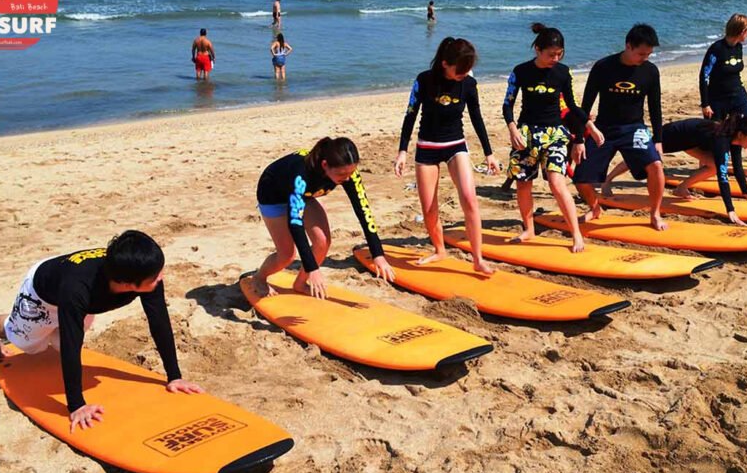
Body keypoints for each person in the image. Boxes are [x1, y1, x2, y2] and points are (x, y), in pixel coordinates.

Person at [0, 230, 204, 433]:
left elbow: (159, 322)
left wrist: (174, 376)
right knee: (31, 345)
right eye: (155, 276)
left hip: (73, 295)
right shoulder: (78, 289)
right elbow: (73, 344)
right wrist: (76, 405)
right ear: (127, 283)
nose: (160, 277)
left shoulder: (146, 272)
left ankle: (38, 329)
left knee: (59, 343)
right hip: (42, 294)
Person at [396, 37, 499, 274]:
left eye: (467, 68)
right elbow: (410, 115)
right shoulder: (424, 80)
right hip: (427, 148)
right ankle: (439, 249)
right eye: (459, 69)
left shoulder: (469, 84)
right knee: (429, 207)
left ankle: (478, 259)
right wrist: (402, 151)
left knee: (470, 199)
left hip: (456, 145)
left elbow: (477, 118)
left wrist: (489, 153)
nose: (464, 73)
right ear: (444, 63)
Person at [248, 137, 396, 299]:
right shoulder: (302, 175)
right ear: (325, 165)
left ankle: (300, 283)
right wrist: (312, 268)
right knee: (287, 255)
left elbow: (363, 210)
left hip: (306, 195)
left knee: (322, 241)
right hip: (273, 195)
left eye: (351, 172)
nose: (347, 178)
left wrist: (378, 254)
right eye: (342, 174)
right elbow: (295, 223)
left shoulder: (348, 173)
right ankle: (259, 278)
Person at [503, 23, 598, 252]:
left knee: (557, 182)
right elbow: (508, 105)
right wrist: (513, 129)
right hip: (526, 134)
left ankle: (576, 234)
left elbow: (573, 106)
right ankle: (528, 229)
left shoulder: (563, 72)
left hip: (555, 133)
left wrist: (587, 130)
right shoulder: (521, 71)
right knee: (524, 183)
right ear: (537, 49)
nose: (555, 59)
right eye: (550, 54)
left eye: (559, 54)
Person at [572, 23, 668, 231]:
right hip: (604, 128)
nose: (645, 58)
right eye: (642, 53)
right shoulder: (603, 67)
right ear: (628, 46)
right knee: (580, 178)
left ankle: (655, 213)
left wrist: (658, 140)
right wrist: (579, 139)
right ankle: (595, 208)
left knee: (656, 166)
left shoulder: (650, 71)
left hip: (635, 128)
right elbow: (585, 106)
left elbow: (655, 108)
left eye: (649, 54)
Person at [602, 115, 747, 226]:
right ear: (741, 134)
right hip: (674, 134)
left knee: (713, 166)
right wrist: (730, 210)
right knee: (639, 158)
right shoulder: (722, 141)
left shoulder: (735, 140)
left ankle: (681, 188)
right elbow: (723, 178)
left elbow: (738, 167)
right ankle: (607, 180)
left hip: (690, 141)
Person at [699, 13, 747, 184]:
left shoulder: (739, 47)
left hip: (738, 97)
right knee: (713, 136)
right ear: (741, 31)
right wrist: (705, 104)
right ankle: (704, 170)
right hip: (717, 99)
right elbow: (704, 76)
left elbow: (736, 75)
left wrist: (745, 94)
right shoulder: (717, 49)